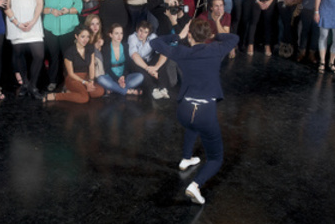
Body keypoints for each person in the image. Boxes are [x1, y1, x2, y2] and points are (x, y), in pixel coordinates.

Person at [151, 18, 238, 205]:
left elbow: (155, 42)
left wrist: (177, 36)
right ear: (207, 35)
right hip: (205, 113)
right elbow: (234, 38)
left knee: (192, 126)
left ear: (189, 35)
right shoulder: (216, 49)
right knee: (215, 158)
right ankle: (195, 185)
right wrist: (215, 35)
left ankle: (186, 158)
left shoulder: (182, 52)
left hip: (184, 111)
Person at [4, 0, 45, 100]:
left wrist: (33, 21)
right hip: (16, 23)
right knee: (19, 54)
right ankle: (25, 84)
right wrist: (17, 23)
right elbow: (6, 6)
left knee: (39, 55)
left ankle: (32, 85)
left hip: (33, 22)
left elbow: (40, 3)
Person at [43, 0, 83, 91]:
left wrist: (68, 11)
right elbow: (39, 7)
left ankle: (68, 81)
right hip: (50, 28)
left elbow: (79, 7)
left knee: (68, 56)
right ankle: (53, 80)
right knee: (53, 56)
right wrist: (50, 10)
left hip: (69, 28)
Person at [43, 25, 105, 103]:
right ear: (76, 36)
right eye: (82, 36)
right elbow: (71, 74)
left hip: (86, 77)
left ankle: (73, 92)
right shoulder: (69, 52)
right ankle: (57, 96)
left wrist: (91, 81)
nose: (85, 40)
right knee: (84, 98)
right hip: (73, 79)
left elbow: (91, 66)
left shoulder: (90, 48)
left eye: (88, 37)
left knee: (100, 91)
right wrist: (85, 83)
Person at [97, 24, 144, 95]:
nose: (119, 36)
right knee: (100, 79)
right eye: (116, 33)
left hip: (123, 77)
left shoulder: (125, 46)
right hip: (111, 77)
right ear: (111, 35)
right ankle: (127, 91)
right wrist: (117, 79)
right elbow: (107, 68)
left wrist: (123, 77)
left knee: (140, 76)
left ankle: (114, 89)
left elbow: (127, 65)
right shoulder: (106, 48)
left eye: (121, 33)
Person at [128, 20, 170, 99]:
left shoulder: (153, 37)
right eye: (140, 30)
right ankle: (153, 90)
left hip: (148, 62)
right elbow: (134, 55)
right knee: (136, 64)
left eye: (145, 32)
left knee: (159, 59)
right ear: (137, 29)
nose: (142, 34)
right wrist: (148, 69)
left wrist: (156, 67)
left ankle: (163, 88)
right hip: (136, 63)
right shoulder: (132, 37)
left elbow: (164, 53)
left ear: (149, 33)